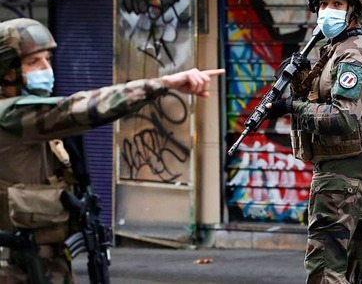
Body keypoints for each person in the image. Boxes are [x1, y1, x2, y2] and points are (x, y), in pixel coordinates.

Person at [0, 17, 224, 283]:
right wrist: (164, 84)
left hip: (43, 260)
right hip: (14, 265)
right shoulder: (12, 115)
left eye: (47, 59)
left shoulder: (33, 121)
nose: (46, 68)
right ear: (8, 71)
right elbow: (81, 108)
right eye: (34, 62)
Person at [267, 0, 362, 283]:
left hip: (343, 171)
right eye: (322, 4)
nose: (327, 11)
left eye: (337, 3)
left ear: (354, 10)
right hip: (356, 166)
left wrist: (290, 108)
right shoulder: (340, 48)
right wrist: (300, 80)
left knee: (324, 265)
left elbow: (343, 117)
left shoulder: (352, 54)